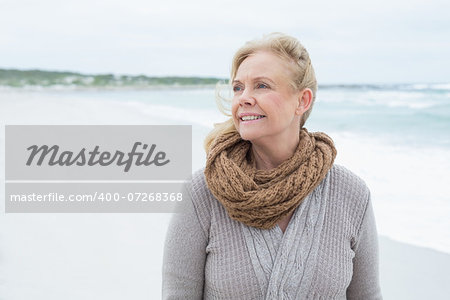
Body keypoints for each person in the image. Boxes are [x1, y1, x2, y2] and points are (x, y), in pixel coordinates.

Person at [162, 33, 382, 299]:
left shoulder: (351, 195)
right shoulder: (202, 193)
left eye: (262, 86)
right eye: (237, 87)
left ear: (303, 101)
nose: (244, 97)